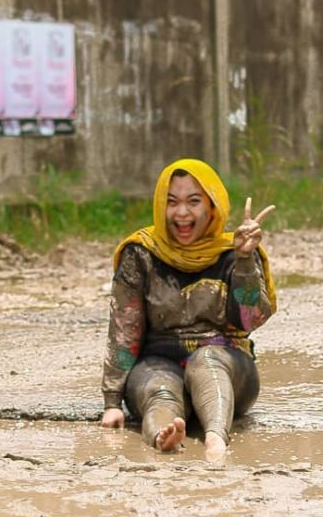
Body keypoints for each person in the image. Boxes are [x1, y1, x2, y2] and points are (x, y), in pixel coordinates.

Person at [99, 158, 277, 461]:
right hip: (157, 362)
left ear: (212, 207)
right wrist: (112, 402)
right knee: (160, 388)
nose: (181, 212)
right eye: (172, 202)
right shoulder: (141, 252)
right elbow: (124, 328)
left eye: (193, 202)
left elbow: (250, 319)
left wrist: (245, 261)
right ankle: (164, 437)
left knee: (206, 361)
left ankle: (216, 439)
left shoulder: (236, 251)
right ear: (161, 206)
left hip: (227, 367)